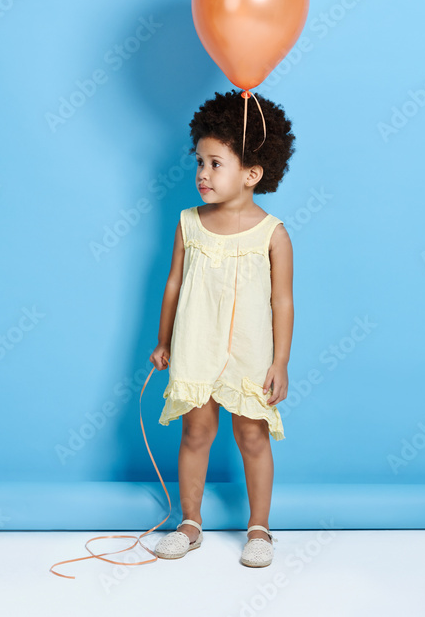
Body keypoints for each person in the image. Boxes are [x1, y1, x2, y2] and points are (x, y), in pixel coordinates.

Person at [149, 89, 295, 568]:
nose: (202, 174)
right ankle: (189, 521)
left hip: (250, 350)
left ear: (252, 173)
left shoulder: (272, 234)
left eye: (216, 164)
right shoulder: (189, 223)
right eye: (200, 163)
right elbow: (173, 284)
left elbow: (282, 300)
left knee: (252, 435)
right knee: (195, 430)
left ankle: (259, 528)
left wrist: (280, 362)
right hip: (196, 342)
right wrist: (164, 341)